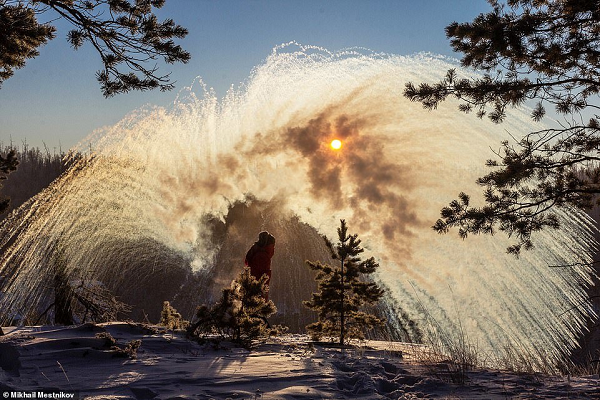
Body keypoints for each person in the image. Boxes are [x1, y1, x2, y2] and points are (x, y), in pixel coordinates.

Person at [244, 231, 275, 300]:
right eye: (273, 246)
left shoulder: (259, 253)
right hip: (257, 292)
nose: (273, 249)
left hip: (253, 290)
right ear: (268, 246)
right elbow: (261, 278)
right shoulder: (263, 256)